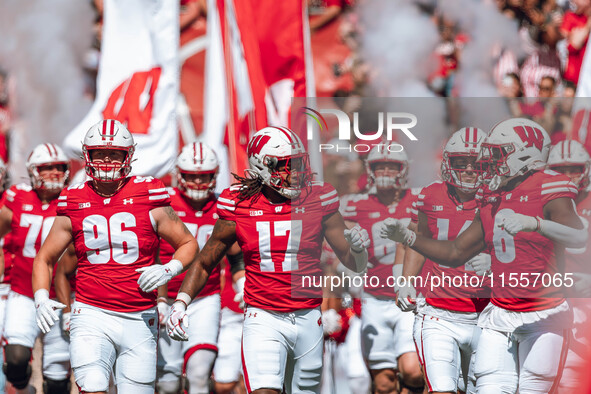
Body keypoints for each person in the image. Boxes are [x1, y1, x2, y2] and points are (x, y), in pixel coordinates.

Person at [380, 118, 586, 393]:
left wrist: (535, 224)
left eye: (499, 154)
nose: (488, 163)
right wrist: (409, 238)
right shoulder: (492, 195)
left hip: (543, 315)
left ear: (524, 154)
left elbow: (580, 238)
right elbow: (455, 252)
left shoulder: (550, 187)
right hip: (498, 314)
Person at [167, 126, 370, 394]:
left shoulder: (318, 198)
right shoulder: (239, 203)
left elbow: (354, 262)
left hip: (308, 315)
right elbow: (206, 261)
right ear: (262, 166)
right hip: (262, 316)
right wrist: (181, 303)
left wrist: (358, 251)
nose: (295, 172)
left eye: (298, 164)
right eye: (286, 165)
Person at [31, 119, 199, 394]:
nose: (107, 160)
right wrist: (40, 297)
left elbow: (188, 243)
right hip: (91, 312)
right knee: (93, 386)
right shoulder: (73, 198)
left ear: (128, 156)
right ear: (88, 154)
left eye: (114, 154)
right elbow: (45, 258)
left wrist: (169, 269)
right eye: (100, 153)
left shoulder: (149, 193)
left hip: (140, 315)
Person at [399, 127, 491, 394]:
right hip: (438, 313)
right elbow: (417, 241)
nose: (470, 170)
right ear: (449, 162)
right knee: (442, 390)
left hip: (485, 314)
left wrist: (495, 267)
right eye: (462, 162)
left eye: (477, 163)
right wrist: (406, 282)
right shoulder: (430, 194)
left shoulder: (498, 199)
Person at [156, 142, 244, 394]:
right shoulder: (164, 203)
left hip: (205, 297)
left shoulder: (223, 205)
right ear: (179, 175)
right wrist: (160, 298)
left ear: (214, 175)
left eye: (204, 176)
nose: (197, 182)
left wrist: (241, 285)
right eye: (192, 176)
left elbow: (236, 256)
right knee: (168, 380)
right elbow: (150, 253)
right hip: (167, 296)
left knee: (199, 371)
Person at [340, 143, 424, 393]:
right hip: (374, 299)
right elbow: (336, 246)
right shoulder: (354, 204)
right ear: (371, 169)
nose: (386, 171)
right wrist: (348, 268)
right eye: (380, 166)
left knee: (413, 370)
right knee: (384, 381)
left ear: (403, 169)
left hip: (410, 299)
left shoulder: (419, 200)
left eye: (392, 166)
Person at [0, 143, 72, 393]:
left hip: (62, 297)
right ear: (32, 171)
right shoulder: (18, 197)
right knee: (16, 361)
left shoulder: (74, 200)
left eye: (59, 167)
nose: (54, 172)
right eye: (46, 167)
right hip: (23, 292)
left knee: (57, 380)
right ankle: (25, 388)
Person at [545, 140, 591, 391]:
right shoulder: (537, 202)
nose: (568, 177)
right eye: (560, 170)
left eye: (574, 169)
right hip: (554, 298)